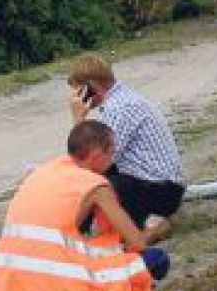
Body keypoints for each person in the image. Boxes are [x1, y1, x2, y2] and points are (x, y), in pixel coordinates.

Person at [0, 121, 171, 291]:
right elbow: (137, 242)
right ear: (96, 155)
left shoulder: (41, 172)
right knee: (156, 260)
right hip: (58, 276)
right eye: (111, 152)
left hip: (15, 284)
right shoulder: (95, 185)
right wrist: (156, 228)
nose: (113, 160)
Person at [68, 53, 184, 240]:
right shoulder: (121, 100)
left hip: (161, 190)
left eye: (77, 90)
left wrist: (79, 120)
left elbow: (91, 160)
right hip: (155, 184)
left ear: (91, 87)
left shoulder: (119, 108)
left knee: (92, 183)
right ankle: (84, 229)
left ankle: (76, 233)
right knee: (92, 179)